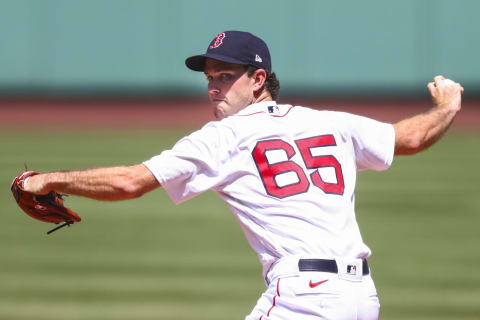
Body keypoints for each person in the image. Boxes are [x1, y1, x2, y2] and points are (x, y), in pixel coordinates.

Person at [20, 31, 463, 319]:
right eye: (210, 76)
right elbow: (407, 137)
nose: (213, 86)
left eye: (225, 76)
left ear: (258, 79)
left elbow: (130, 182)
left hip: (301, 298)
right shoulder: (330, 121)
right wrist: (448, 107)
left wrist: (48, 180)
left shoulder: (225, 136)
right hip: (360, 299)